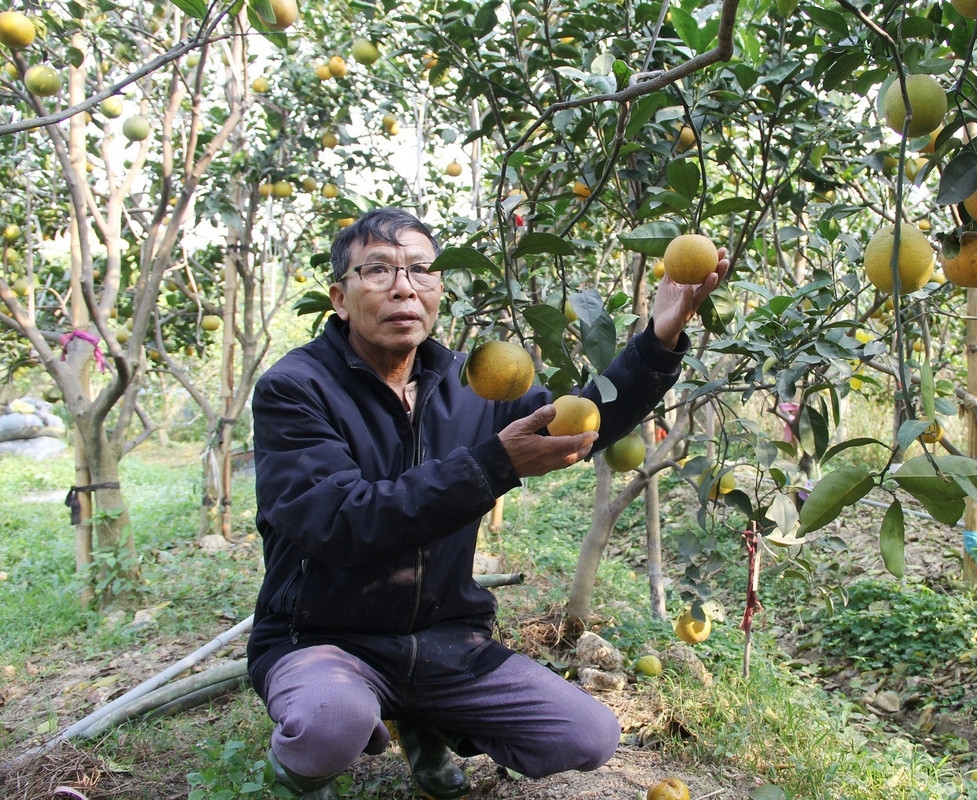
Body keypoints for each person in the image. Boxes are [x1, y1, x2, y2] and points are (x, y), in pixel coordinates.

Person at [247, 207, 727, 799]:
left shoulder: (474, 380)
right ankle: (302, 771)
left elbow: (577, 424)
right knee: (331, 723)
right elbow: (341, 523)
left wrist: (658, 340)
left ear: (439, 289)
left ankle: (424, 718)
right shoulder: (295, 389)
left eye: (421, 270)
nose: (403, 286)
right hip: (325, 639)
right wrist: (494, 463)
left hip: (445, 639)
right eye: (377, 270)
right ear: (340, 298)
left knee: (589, 736)